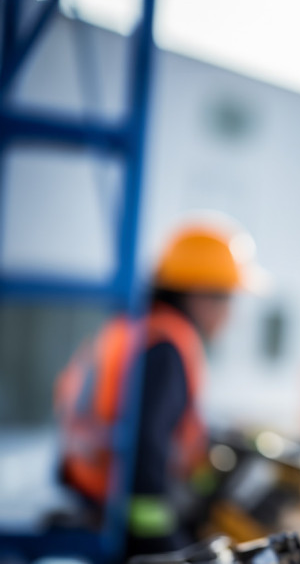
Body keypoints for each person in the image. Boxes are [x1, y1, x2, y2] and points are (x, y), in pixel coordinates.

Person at [54, 216, 262, 556]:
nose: (231, 315)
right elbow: (145, 453)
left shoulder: (132, 330)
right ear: (200, 293)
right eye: (229, 298)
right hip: (123, 514)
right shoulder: (167, 347)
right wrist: (167, 547)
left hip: (89, 493)